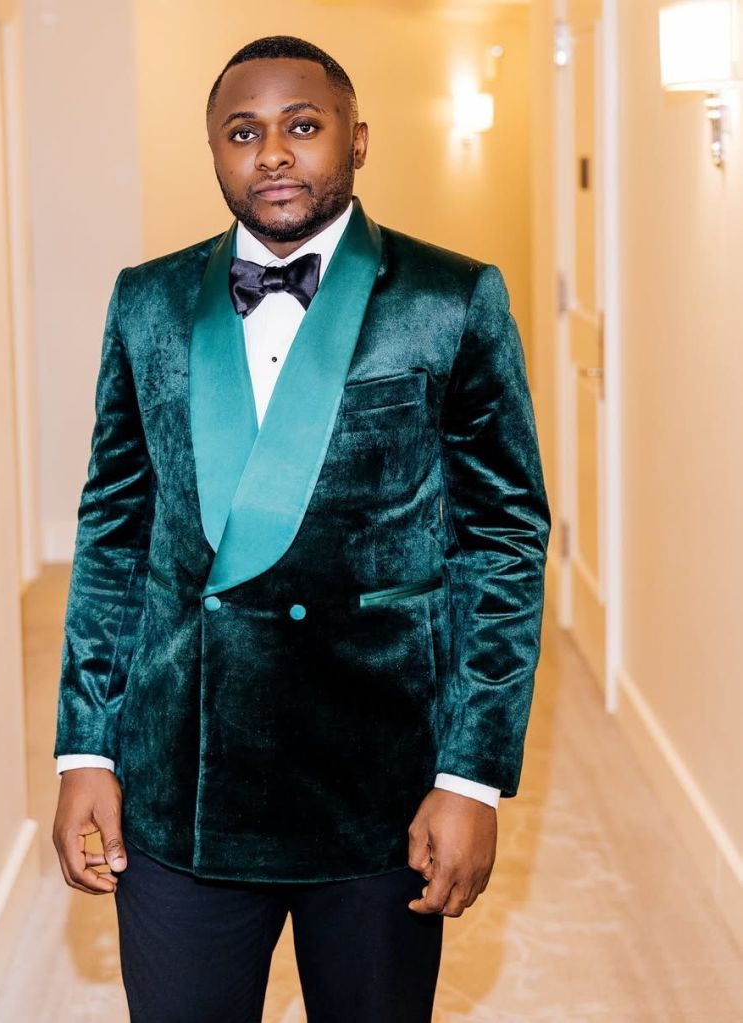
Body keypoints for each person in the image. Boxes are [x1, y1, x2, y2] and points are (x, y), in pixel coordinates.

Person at [51, 34, 550, 1023]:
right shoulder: (147, 302)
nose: (271, 154)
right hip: (180, 780)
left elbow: (501, 544)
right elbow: (114, 530)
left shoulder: (451, 300)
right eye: (243, 133)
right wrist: (85, 753)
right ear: (215, 153)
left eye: (302, 126)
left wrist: (472, 777)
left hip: (377, 784)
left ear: (357, 142)